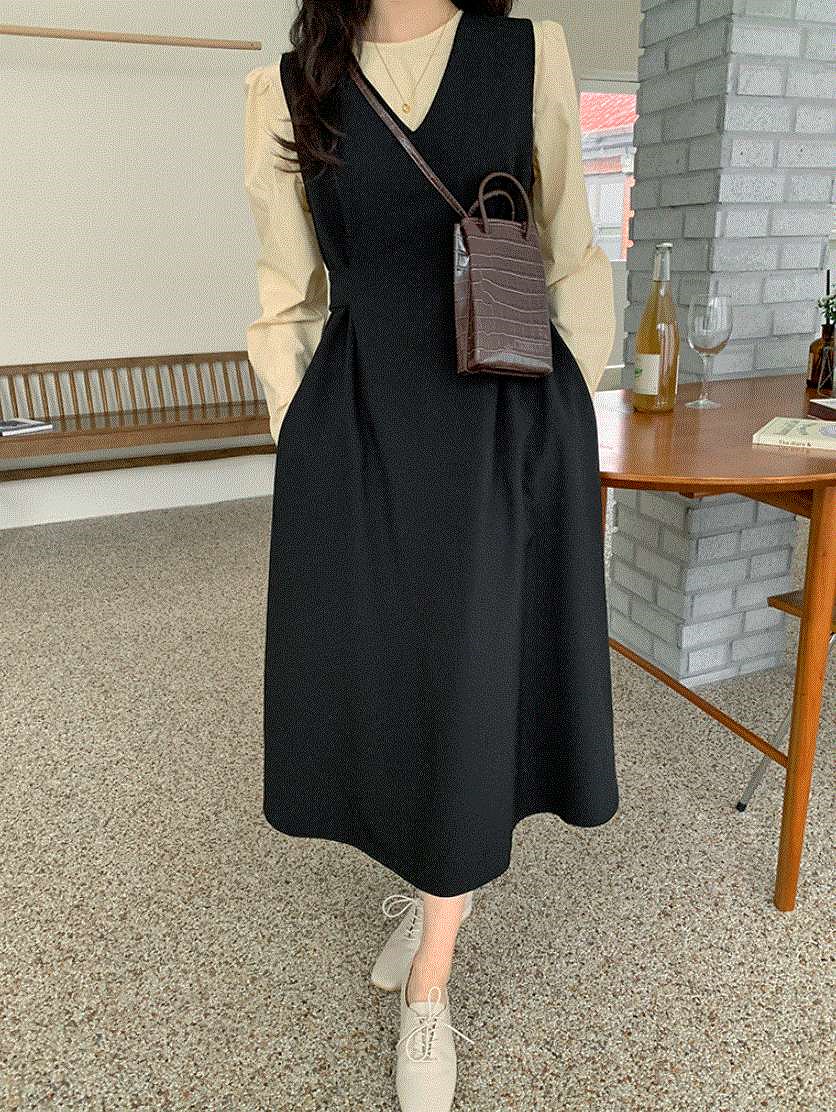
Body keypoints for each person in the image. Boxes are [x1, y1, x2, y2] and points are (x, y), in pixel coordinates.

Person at [243, 3, 619, 1108]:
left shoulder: (527, 54)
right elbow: (287, 295)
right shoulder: (287, 86)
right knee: (391, 678)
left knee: (470, 680)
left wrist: (556, 426)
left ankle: (429, 981)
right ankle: (428, 889)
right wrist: (306, 439)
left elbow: (571, 251)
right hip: (358, 431)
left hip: (501, 425)